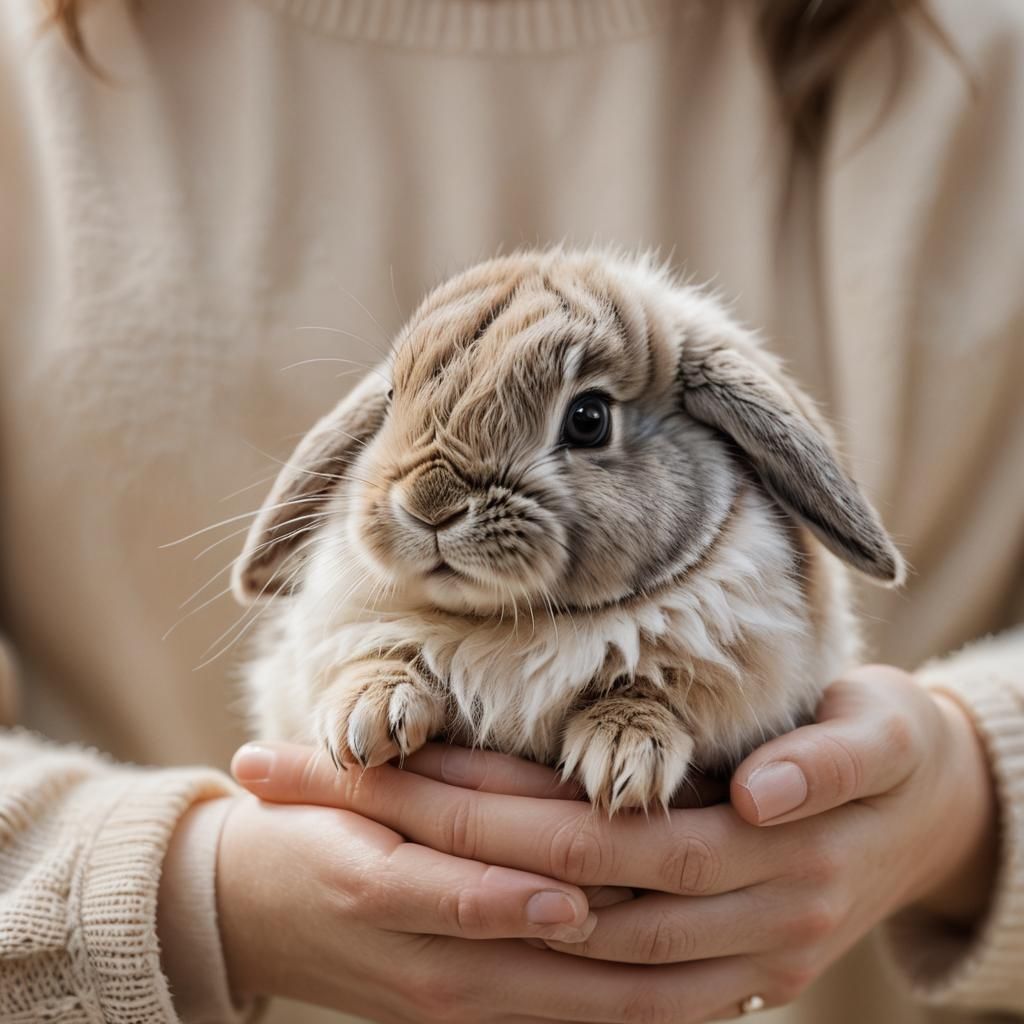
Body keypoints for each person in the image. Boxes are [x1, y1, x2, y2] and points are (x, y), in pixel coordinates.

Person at [0, 0, 1021, 1021]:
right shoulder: (31, 81)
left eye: (583, 423)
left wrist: (963, 800)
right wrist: (192, 895)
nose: (436, 507)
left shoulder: (978, 70)